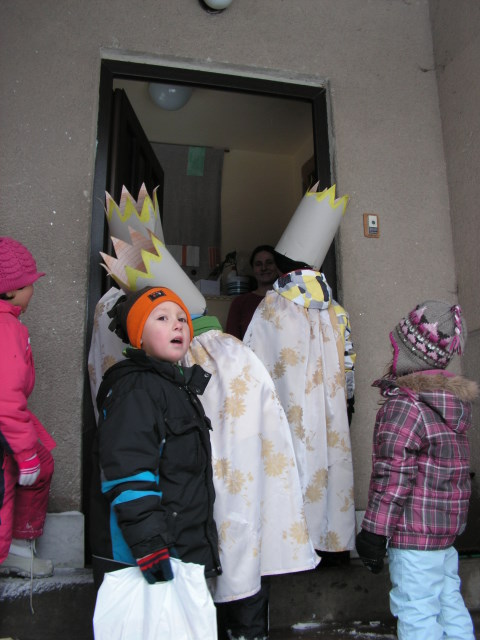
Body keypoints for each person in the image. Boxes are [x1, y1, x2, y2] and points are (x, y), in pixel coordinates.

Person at [356, 300, 477, 640]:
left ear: (409, 353)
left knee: (416, 610)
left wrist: (374, 532)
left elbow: (392, 477)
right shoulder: (449, 405)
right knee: (448, 601)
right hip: (443, 535)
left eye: (396, 346)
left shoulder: (405, 406)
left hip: (413, 536)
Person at [90, 285, 222, 588]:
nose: (177, 325)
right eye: (162, 318)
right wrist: (149, 546)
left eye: (182, 319)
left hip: (181, 552)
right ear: (139, 335)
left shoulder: (177, 387)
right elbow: (128, 472)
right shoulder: (135, 389)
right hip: (145, 558)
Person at [0, 237, 55, 578]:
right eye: (29, 284)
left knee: (42, 463)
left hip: (9, 426)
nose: (33, 291)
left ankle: (17, 548)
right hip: (5, 431)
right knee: (5, 493)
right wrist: (25, 453)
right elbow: (5, 398)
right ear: (12, 290)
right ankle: (11, 553)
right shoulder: (7, 328)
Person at [226, 245, 281, 340]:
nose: (264, 268)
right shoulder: (239, 303)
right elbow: (231, 341)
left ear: (278, 266)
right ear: (253, 269)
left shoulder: (288, 300)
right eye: (258, 264)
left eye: (269, 263)